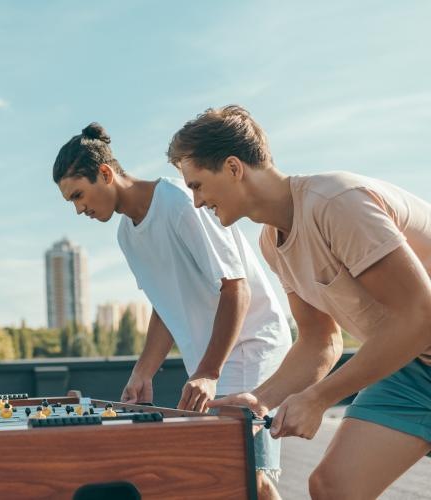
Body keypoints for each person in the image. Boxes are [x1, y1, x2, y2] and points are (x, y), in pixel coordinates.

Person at [167, 105, 431, 499]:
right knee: (334, 487)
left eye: (198, 185)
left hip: (415, 338)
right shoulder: (271, 243)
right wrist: (262, 399)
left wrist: (319, 398)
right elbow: (320, 341)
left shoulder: (335, 202)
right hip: (412, 367)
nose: (198, 201)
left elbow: (421, 315)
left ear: (234, 168)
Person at [52, 123, 292, 498]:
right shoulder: (126, 236)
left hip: (250, 346)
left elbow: (236, 289)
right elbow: (165, 305)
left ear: (105, 173)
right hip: (211, 362)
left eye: (79, 195)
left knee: (245, 477)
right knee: (219, 476)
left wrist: (209, 372)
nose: (79, 208)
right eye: (72, 202)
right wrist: (142, 371)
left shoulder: (180, 202)